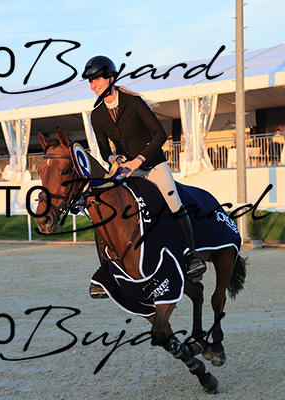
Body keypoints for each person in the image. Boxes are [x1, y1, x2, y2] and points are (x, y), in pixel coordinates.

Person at [82, 55, 207, 298]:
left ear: (111, 78)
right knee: (103, 207)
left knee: (173, 201)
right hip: (125, 169)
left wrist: (138, 160)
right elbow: (104, 150)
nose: (93, 84)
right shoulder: (96, 115)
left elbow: (160, 135)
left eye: (96, 79)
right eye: (90, 81)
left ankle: (190, 255)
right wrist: (114, 159)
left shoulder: (134, 103)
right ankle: (105, 271)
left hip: (151, 164)